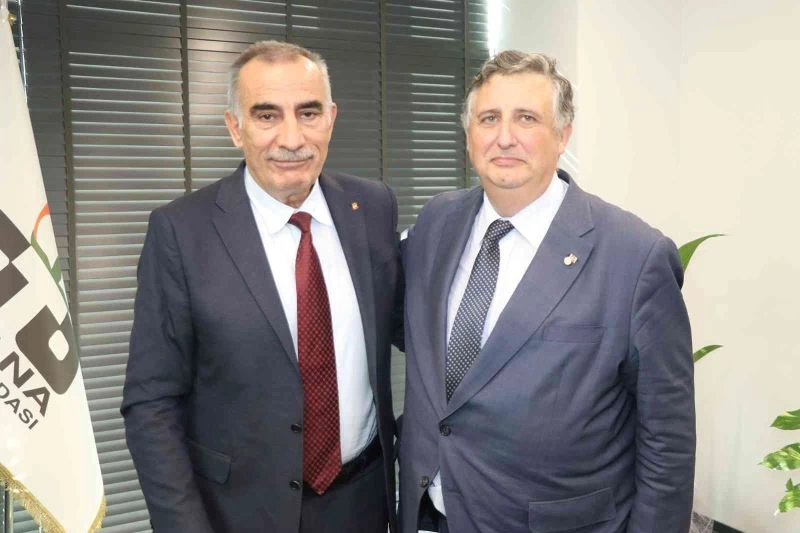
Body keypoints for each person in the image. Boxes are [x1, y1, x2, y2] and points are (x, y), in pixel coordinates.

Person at [399, 50, 695, 533]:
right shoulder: (436, 223)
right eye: (489, 118)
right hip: (432, 516)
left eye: (527, 118)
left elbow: (668, 441)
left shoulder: (635, 256)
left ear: (563, 135)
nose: (505, 137)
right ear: (469, 135)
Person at [122, 40, 401, 533]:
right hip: (238, 514)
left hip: (363, 503)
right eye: (267, 115)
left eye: (308, 113)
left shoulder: (373, 207)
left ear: (331, 118)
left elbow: (417, 328)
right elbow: (151, 403)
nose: (291, 138)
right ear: (235, 127)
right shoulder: (181, 232)